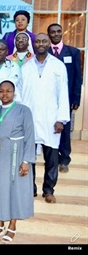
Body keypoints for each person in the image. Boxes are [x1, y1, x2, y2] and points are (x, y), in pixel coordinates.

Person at [0, 80, 35, 243]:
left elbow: (30, 136)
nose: (5, 94)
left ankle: (12, 224)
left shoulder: (23, 111)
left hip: (15, 154)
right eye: (2, 91)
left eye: (8, 91)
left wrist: (26, 160)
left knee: (14, 189)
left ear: (14, 92)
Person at [21, 33, 70, 203]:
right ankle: (30, 189)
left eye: (44, 41)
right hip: (30, 117)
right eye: (37, 41)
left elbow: (64, 93)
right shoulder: (25, 67)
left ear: (49, 44)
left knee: (52, 157)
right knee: (29, 156)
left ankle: (48, 189)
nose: (40, 44)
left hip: (51, 118)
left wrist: (61, 119)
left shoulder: (58, 66)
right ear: (33, 45)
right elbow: (20, 94)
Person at [47, 23, 82, 174]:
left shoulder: (73, 52)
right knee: (50, 127)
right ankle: (51, 158)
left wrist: (76, 98)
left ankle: (65, 159)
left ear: (62, 33)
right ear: (49, 35)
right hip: (47, 98)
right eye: (52, 32)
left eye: (58, 31)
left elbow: (77, 78)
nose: (55, 34)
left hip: (65, 99)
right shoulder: (44, 52)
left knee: (65, 130)